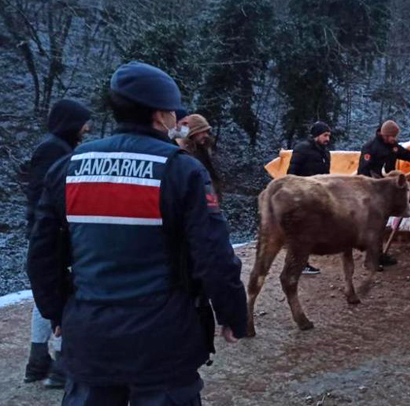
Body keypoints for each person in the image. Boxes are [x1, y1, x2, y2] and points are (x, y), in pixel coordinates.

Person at [26, 61, 248, 406]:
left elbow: (42, 253)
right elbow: (213, 254)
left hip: (89, 339)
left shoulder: (69, 167)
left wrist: (57, 311)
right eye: (174, 112)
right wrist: (232, 313)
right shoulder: (180, 169)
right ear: (160, 114)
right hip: (164, 344)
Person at [23, 99, 91, 389]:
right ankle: (61, 366)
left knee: (50, 293)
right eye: (83, 122)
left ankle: (38, 362)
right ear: (70, 122)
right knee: (67, 292)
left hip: (50, 231)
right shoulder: (54, 150)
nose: (87, 128)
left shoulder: (56, 147)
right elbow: (48, 195)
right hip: (55, 233)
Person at [357, 120, 410, 268]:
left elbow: (407, 154)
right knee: (374, 226)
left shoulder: (393, 147)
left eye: (395, 136)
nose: (394, 139)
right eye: (392, 136)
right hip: (373, 192)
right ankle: (371, 260)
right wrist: (369, 191)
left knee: (381, 225)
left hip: (387, 192)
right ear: (384, 134)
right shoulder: (369, 148)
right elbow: (362, 172)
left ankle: (379, 255)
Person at [285, 121, 332, 275]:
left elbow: (326, 175)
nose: (327, 139)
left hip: (316, 198)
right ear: (317, 135)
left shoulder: (325, 153)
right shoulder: (302, 149)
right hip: (302, 197)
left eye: (329, 136)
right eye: (325, 135)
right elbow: (291, 173)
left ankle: (299, 263)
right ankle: (298, 264)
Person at [178, 114, 222, 201]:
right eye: (202, 131)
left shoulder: (204, 152)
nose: (206, 135)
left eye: (207, 132)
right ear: (193, 132)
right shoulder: (182, 155)